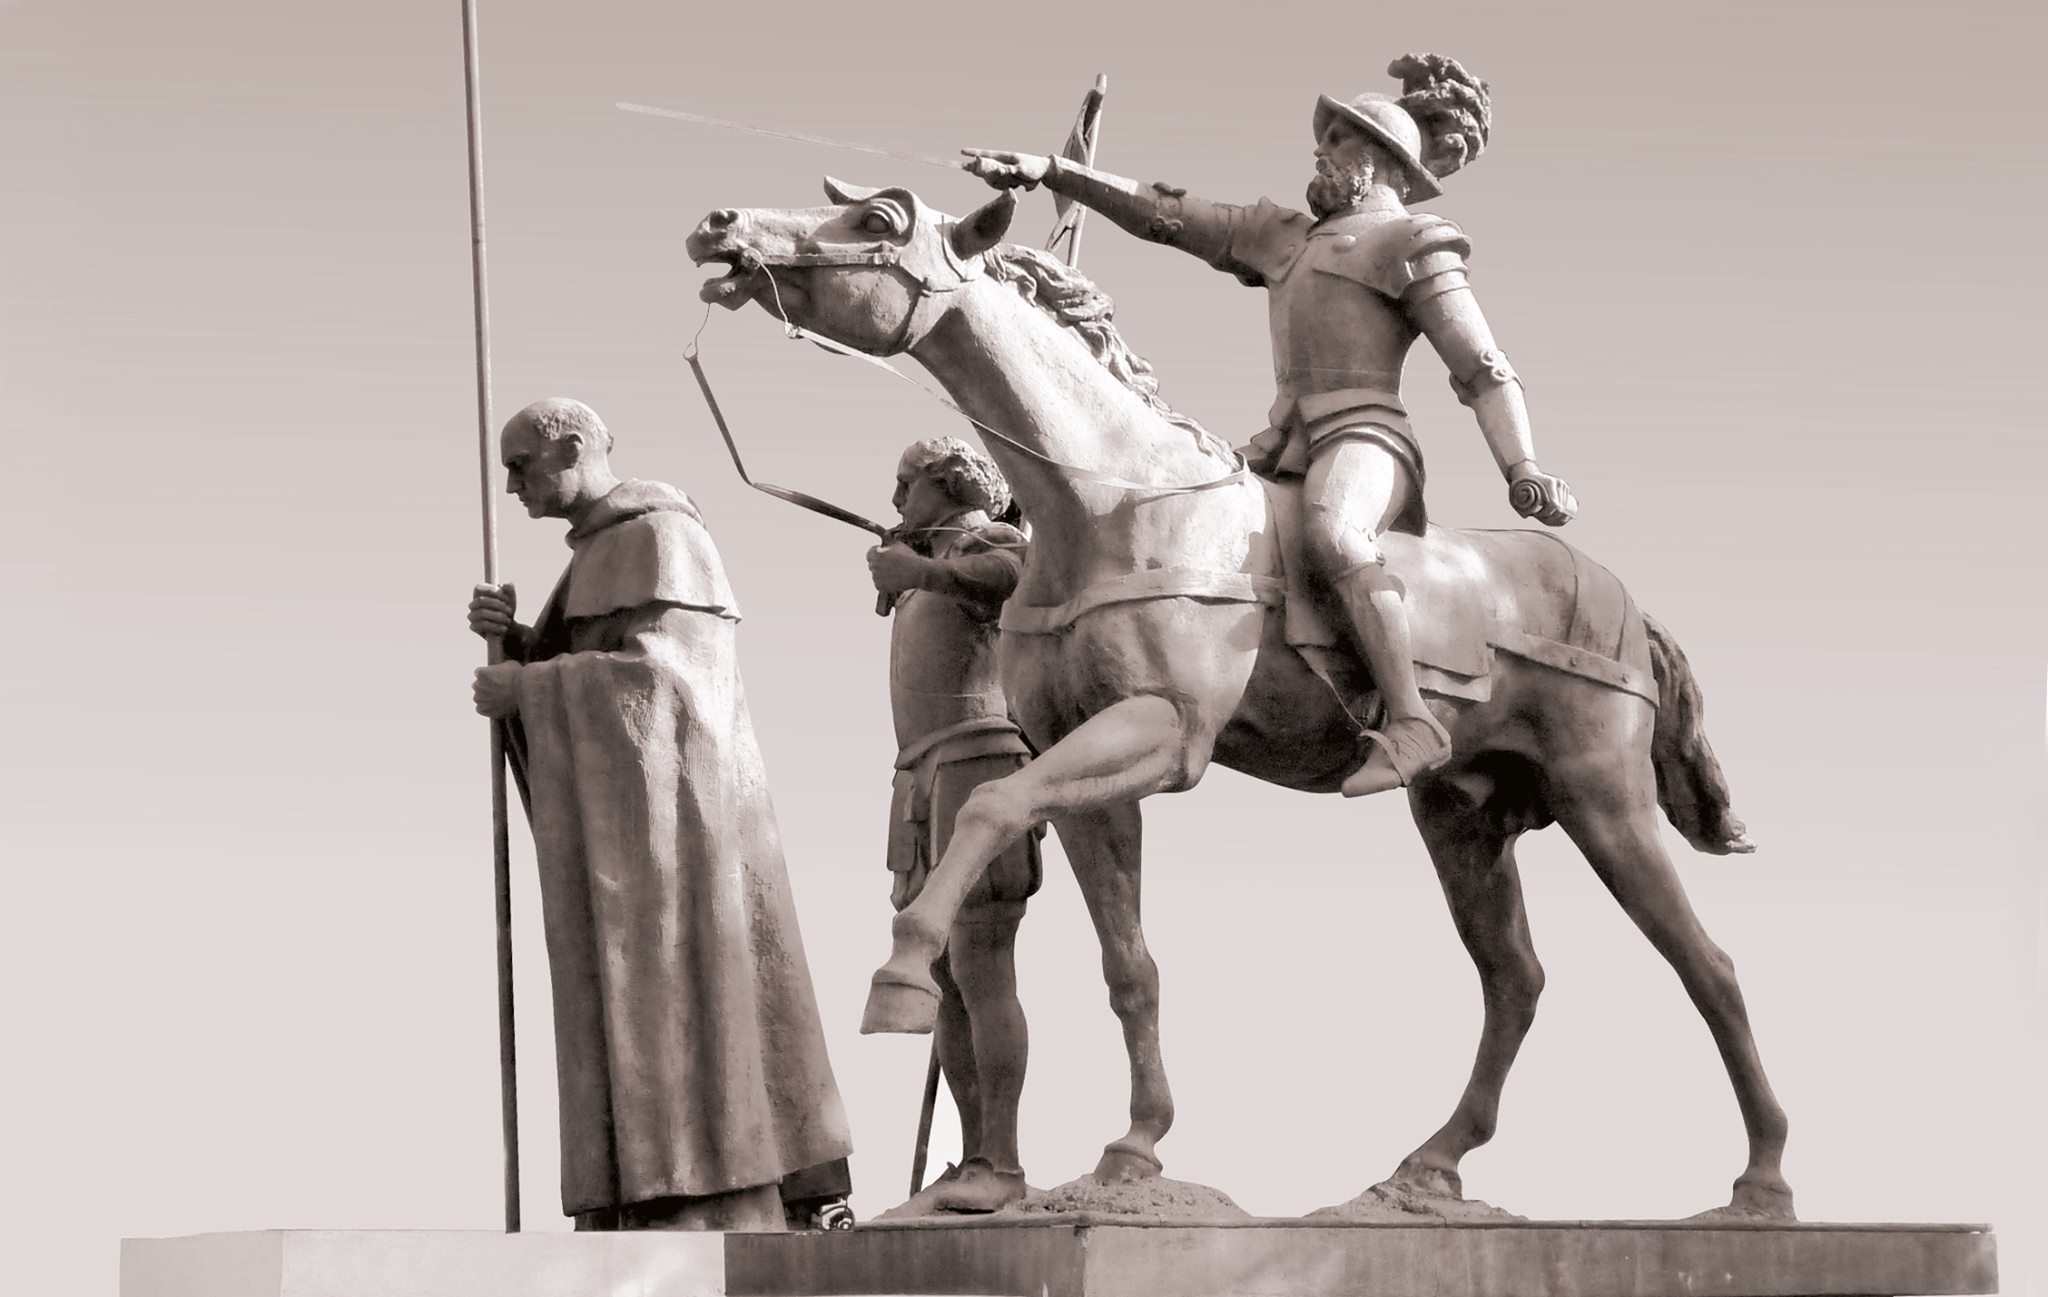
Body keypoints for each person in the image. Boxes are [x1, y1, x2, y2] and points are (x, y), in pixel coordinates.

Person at [960, 53, 1578, 797]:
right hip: (1280, 444)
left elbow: (1483, 368)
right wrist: (1055, 172)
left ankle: (1413, 719)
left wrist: (1524, 466)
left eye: (1343, 141)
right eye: (1327, 138)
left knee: (1333, 531)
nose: (1322, 151)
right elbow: (1167, 213)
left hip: (1368, 435)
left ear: (1384, 163)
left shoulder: (1410, 242)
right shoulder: (1280, 237)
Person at [466, 397, 852, 1231]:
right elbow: (596, 661)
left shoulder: (660, 536)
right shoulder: (600, 551)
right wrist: (523, 645)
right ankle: (634, 1192)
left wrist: (530, 688)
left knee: (685, 987)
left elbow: (669, 686)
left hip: (682, 833)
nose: (510, 487)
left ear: (569, 447)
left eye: (520, 464)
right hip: (629, 840)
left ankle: (710, 1190)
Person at [865, 436, 1038, 1214]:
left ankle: (1000, 1159)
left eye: (908, 482)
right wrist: (913, 563)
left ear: (952, 481)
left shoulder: (990, 539)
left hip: (981, 762)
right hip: (921, 774)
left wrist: (927, 568)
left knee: (980, 961)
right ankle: (972, 1154)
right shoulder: (927, 550)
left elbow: (1011, 578)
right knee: (943, 976)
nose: (896, 495)